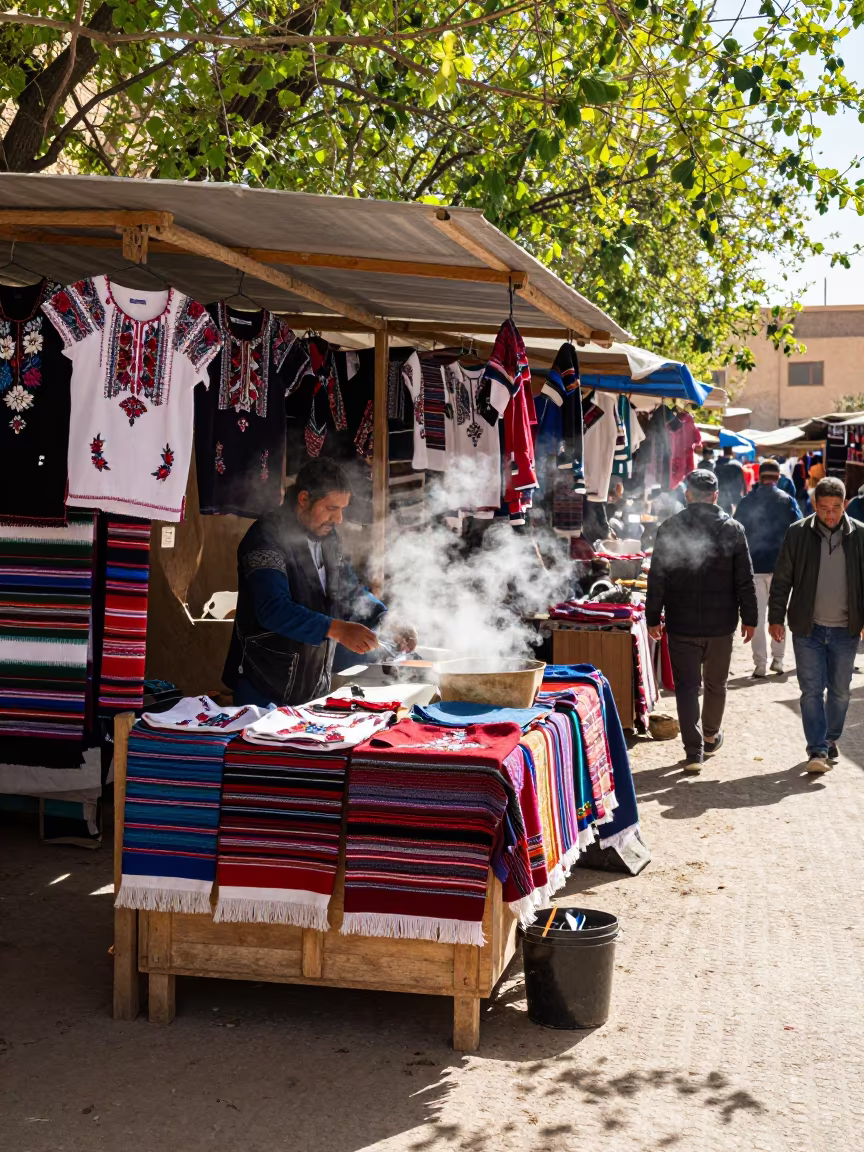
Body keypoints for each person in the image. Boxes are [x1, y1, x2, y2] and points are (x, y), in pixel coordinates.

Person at [223, 457, 415, 707]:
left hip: (313, 685)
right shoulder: (265, 537)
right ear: (304, 499)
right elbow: (273, 609)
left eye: (342, 509)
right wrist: (337, 629)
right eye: (331, 508)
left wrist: (384, 618)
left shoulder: (328, 538)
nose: (338, 519)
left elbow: (348, 591)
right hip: (263, 686)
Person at [646, 469, 757, 773]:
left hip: (681, 623)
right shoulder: (733, 529)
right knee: (716, 683)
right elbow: (744, 579)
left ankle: (693, 752)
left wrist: (652, 616)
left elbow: (657, 577)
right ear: (716, 496)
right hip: (721, 625)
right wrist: (750, 617)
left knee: (686, 687)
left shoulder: (669, 528)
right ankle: (710, 736)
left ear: (688, 495)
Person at [768, 476, 864, 773]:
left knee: (840, 691)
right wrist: (775, 617)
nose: (831, 514)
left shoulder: (860, 535)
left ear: (845, 504)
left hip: (845, 629)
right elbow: (782, 577)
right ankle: (817, 749)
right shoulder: (798, 533)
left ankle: (830, 736)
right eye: (824, 508)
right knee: (811, 691)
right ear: (814, 504)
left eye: (836, 508)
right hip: (807, 628)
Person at [734, 459, 801, 677]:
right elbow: (800, 530)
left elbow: (736, 531)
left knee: (758, 616)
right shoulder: (787, 500)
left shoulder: (746, 501)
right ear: (778, 477)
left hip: (754, 566)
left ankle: (760, 664)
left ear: (759, 476)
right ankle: (778, 660)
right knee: (778, 613)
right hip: (782, 567)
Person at [712, 445, 747, 513]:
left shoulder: (717, 467)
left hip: (721, 498)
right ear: (732, 452)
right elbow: (743, 483)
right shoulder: (737, 466)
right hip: (735, 498)